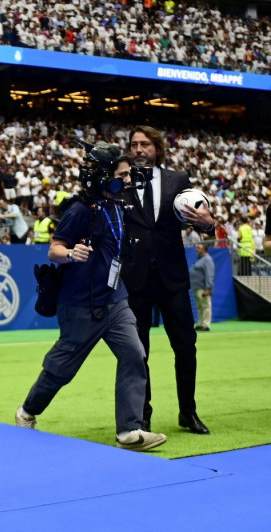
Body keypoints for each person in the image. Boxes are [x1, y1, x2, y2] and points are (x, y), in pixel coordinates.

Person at [16, 152, 167, 452]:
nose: (127, 180)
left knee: (135, 354)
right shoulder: (79, 211)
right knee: (62, 369)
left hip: (115, 298)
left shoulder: (119, 206)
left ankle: (129, 430)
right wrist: (72, 253)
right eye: (121, 175)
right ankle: (27, 411)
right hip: (80, 304)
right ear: (103, 176)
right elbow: (54, 250)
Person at [123, 125, 214, 435]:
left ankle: (188, 412)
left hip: (173, 278)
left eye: (144, 144)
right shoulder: (121, 183)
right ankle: (142, 414)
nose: (138, 149)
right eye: (134, 144)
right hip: (135, 280)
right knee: (138, 352)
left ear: (157, 148)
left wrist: (207, 225)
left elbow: (197, 220)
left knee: (186, 346)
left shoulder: (179, 181)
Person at [190, 243, 215, 332]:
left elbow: (209, 274)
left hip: (203, 287)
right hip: (197, 287)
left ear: (204, 249)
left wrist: (208, 288)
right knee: (200, 306)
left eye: (199, 248)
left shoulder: (207, 259)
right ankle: (200, 323)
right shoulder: (200, 259)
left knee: (206, 306)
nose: (197, 249)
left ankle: (206, 325)